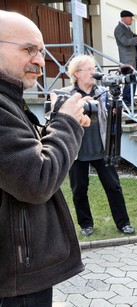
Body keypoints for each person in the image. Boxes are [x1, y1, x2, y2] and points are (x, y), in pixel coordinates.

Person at [0, 10, 91, 305]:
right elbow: (37, 180)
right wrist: (66, 123)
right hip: (15, 276)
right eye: (29, 49)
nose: (40, 61)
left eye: (40, 51)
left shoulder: (9, 100)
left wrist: (57, 125)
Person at [60, 55, 135, 236]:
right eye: (89, 69)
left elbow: (112, 118)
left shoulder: (104, 92)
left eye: (94, 68)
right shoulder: (66, 95)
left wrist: (116, 111)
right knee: (79, 189)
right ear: (77, 73)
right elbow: (57, 118)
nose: (94, 72)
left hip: (102, 149)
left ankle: (123, 223)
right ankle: (86, 224)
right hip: (78, 151)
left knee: (113, 186)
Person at [114, 10, 137, 104]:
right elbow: (125, 41)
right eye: (130, 18)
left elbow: (135, 36)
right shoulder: (119, 29)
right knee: (129, 79)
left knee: (133, 79)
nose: (132, 20)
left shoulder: (127, 28)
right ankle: (127, 100)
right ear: (124, 18)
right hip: (127, 59)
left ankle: (130, 100)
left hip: (133, 58)